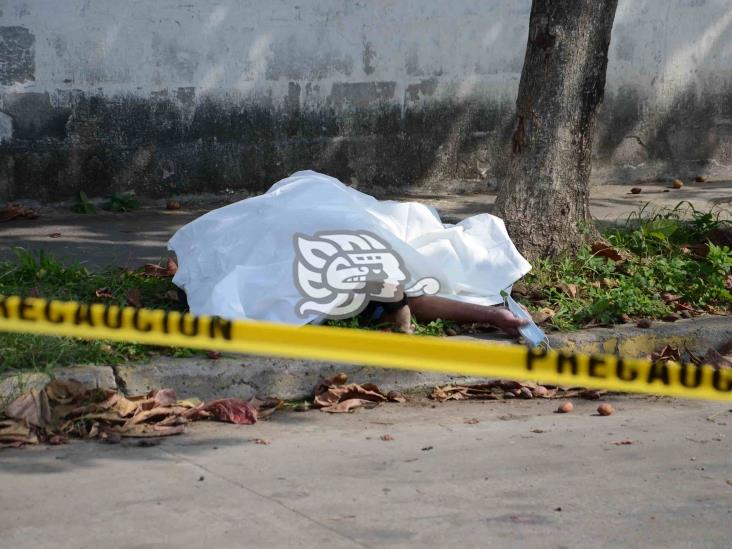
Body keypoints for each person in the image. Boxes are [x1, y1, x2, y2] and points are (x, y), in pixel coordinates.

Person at [168, 170, 531, 337]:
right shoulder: (360, 262)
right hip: (325, 219)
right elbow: (418, 295)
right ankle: (388, 303)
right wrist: (493, 315)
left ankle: (388, 303)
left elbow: (417, 294)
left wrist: (494, 315)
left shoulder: (355, 255)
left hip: (326, 212)